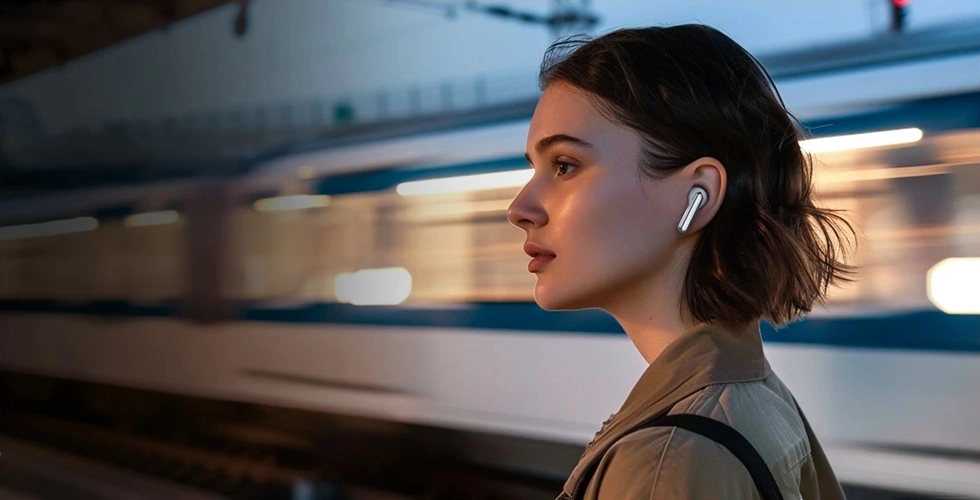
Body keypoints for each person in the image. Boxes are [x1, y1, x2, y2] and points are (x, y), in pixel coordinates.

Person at [507, 24, 856, 500]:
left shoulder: (666, 462)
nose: (520, 209)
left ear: (699, 195)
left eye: (565, 166)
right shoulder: (759, 395)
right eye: (535, 168)